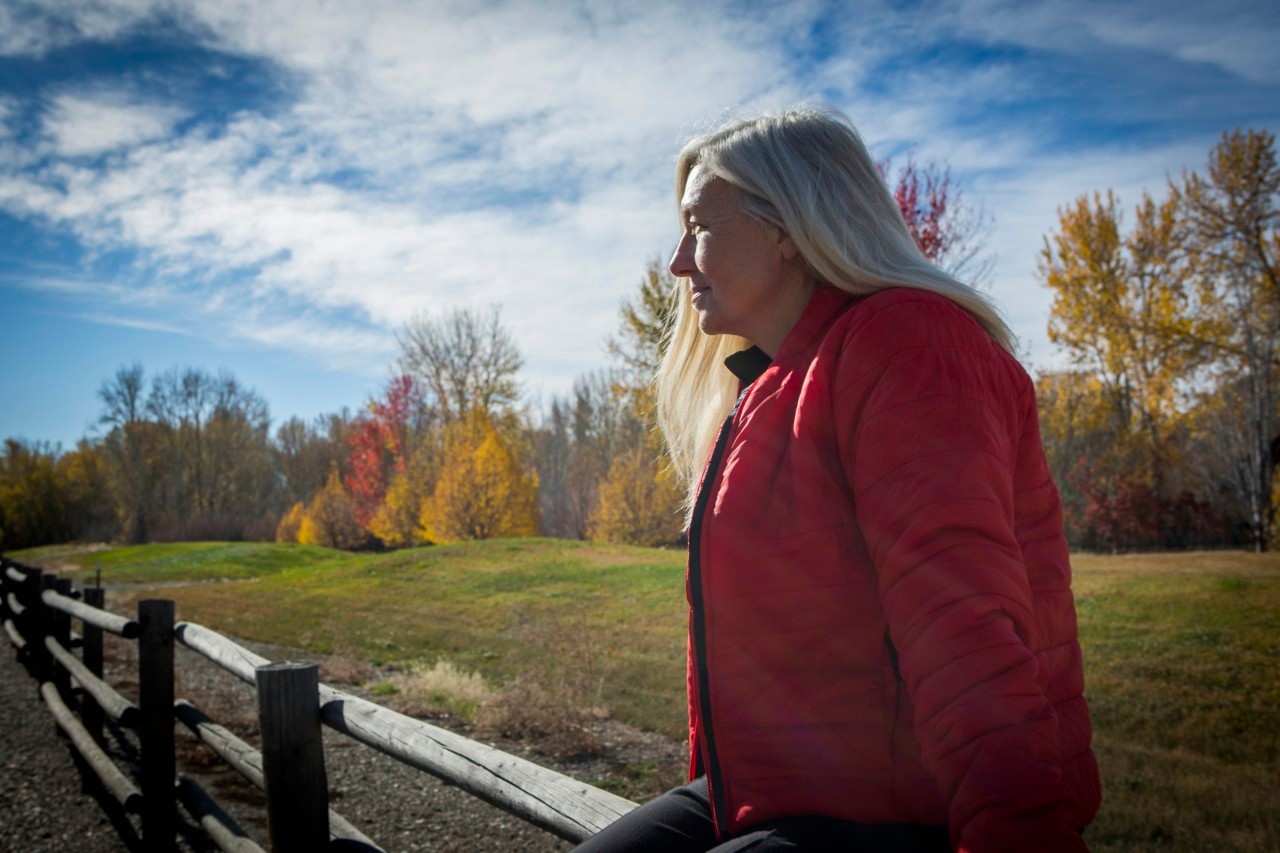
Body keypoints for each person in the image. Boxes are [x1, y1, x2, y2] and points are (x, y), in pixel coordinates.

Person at [574, 106, 1100, 852]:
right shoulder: (767, 386)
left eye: (699, 228)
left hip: (913, 813)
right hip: (780, 795)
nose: (678, 263)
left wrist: (1020, 832)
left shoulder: (909, 345)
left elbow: (964, 628)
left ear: (786, 227)